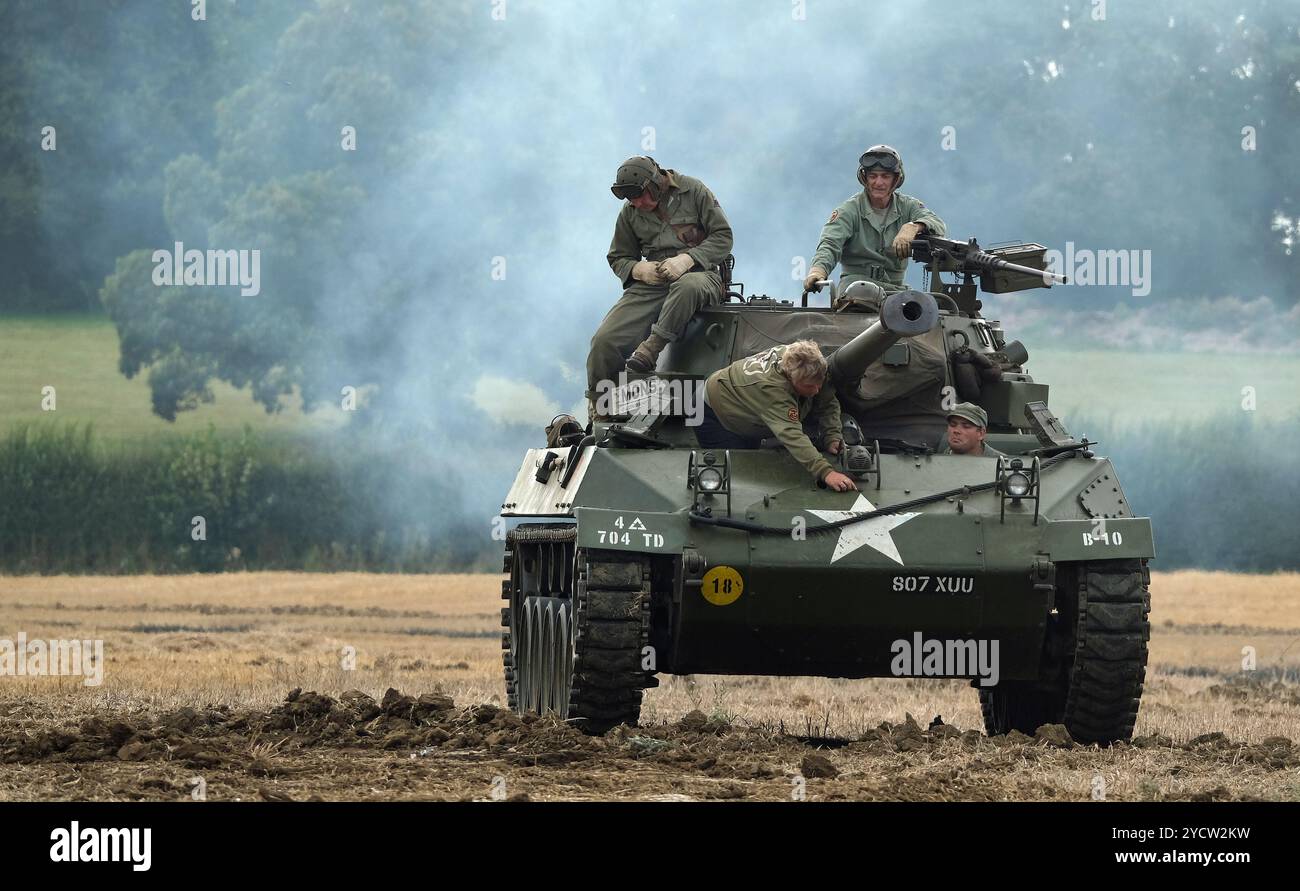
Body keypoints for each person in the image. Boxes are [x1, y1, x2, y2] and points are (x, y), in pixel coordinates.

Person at [587, 156, 733, 419]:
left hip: (700, 274)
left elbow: (723, 237)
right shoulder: (630, 212)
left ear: (655, 184)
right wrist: (637, 269)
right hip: (654, 281)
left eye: (640, 196)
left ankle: (650, 351)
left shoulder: (694, 191)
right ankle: (603, 410)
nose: (637, 204)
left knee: (687, 287)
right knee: (604, 341)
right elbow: (618, 256)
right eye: (631, 200)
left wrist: (688, 259)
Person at [697, 340, 857, 492]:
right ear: (791, 377)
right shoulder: (773, 389)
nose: (816, 390)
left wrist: (833, 436)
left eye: (819, 384)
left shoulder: (806, 361)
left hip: (744, 400)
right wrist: (826, 472)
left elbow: (827, 400)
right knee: (740, 478)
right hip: (712, 411)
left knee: (752, 457)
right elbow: (791, 434)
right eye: (809, 386)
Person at [802, 145, 946, 298]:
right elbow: (830, 244)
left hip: (895, 291)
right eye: (873, 176)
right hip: (855, 291)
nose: (879, 182)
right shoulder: (849, 210)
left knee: (925, 309)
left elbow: (938, 224)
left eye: (885, 176)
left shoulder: (908, 207)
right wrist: (818, 271)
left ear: (895, 179)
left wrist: (914, 227)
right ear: (865, 178)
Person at [941, 403, 1007, 457]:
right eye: (953, 425)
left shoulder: (1002, 465)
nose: (956, 431)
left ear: (981, 433)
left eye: (966, 426)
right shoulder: (937, 460)